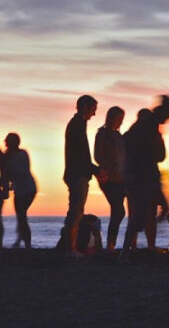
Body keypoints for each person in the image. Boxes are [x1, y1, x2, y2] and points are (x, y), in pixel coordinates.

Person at [121, 95, 169, 255]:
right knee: (142, 215)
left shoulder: (143, 128)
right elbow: (158, 155)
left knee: (152, 211)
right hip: (142, 176)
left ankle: (132, 247)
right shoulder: (148, 126)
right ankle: (127, 250)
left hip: (144, 175)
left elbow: (158, 155)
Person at [61, 95, 102, 257]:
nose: (94, 114)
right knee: (76, 211)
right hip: (77, 174)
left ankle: (71, 247)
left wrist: (93, 169)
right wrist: (95, 170)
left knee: (76, 210)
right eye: (93, 110)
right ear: (85, 107)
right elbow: (81, 155)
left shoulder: (78, 124)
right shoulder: (77, 125)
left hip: (77, 172)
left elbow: (82, 155)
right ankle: (70, 249)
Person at [94, 106, 127, 250]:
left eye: (121, 120)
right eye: (118, 119)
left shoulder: (120, 137)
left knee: (118, 211)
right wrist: (110, 166)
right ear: (111, 118)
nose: (120, 122)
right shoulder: (102, 134)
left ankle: (112, 245)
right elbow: (97, 156)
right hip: (109, 178)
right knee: (118, 210)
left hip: (122, 178)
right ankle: (110, 245)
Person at [4, 132, 37, 249]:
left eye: (7, 140)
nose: (5, 142)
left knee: (21, 215)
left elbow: (22, 171)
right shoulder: (6, 156)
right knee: (21, 215)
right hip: (19, 189)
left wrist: (9, 185)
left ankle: (27, 244)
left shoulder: (22, 154)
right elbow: (6, 175)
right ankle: (19, 241)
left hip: (28, 188)